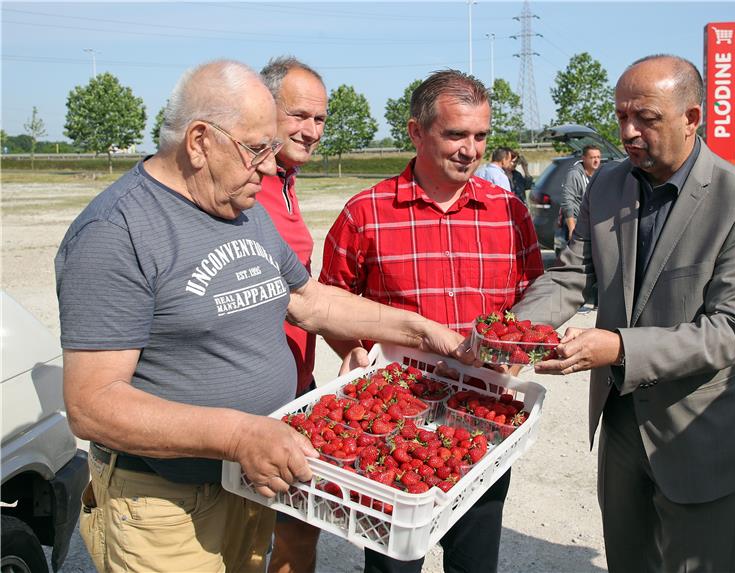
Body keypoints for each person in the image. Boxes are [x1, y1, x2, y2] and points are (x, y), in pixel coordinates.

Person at [55, 60, 465, 573]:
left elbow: (310, 301)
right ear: (200, 141)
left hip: (251, 481)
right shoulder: (116, 233)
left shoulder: (242, 210)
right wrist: (239, 435)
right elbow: (92, 405)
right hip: (167, 504)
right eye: (257, 149)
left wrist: (419, 328)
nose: (271, 167)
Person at [513, 54, 735, 572]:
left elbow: (733, 330)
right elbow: (572, 275)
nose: (629, 132)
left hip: (701, 429)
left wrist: (616, 348)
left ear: (692, 118)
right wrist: (515, 332)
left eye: (647, 119)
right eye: (621, 117)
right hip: (621, 426)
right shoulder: (607, 186)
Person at [320, 70, 543, 573]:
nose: (471, 149)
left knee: (475, 558)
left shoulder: (509, 212)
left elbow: (534, 300)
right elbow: (329, 301)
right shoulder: (366, 214)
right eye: (456, 134)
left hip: (483, 414)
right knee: (394, 564)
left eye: (481, 136)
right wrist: (350, 349)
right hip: (392, 418)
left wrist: (524, 349)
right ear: (416, 132)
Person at [257, 56, 327, 573]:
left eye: (319, 120)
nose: (311, 131)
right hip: (253, 400)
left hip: (295, 388)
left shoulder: (285, 178)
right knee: (252, 537)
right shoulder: (243, 186)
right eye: (298, 116)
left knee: (299, 534)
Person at [557, 144, 601, 253]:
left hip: (591, 223)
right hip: (577, 223)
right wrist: (572, 229)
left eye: (598, 157)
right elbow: (567, 201)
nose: (596, 161)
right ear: (584, 158)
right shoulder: (574, 174)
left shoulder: (599, 174)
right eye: (592, 158)